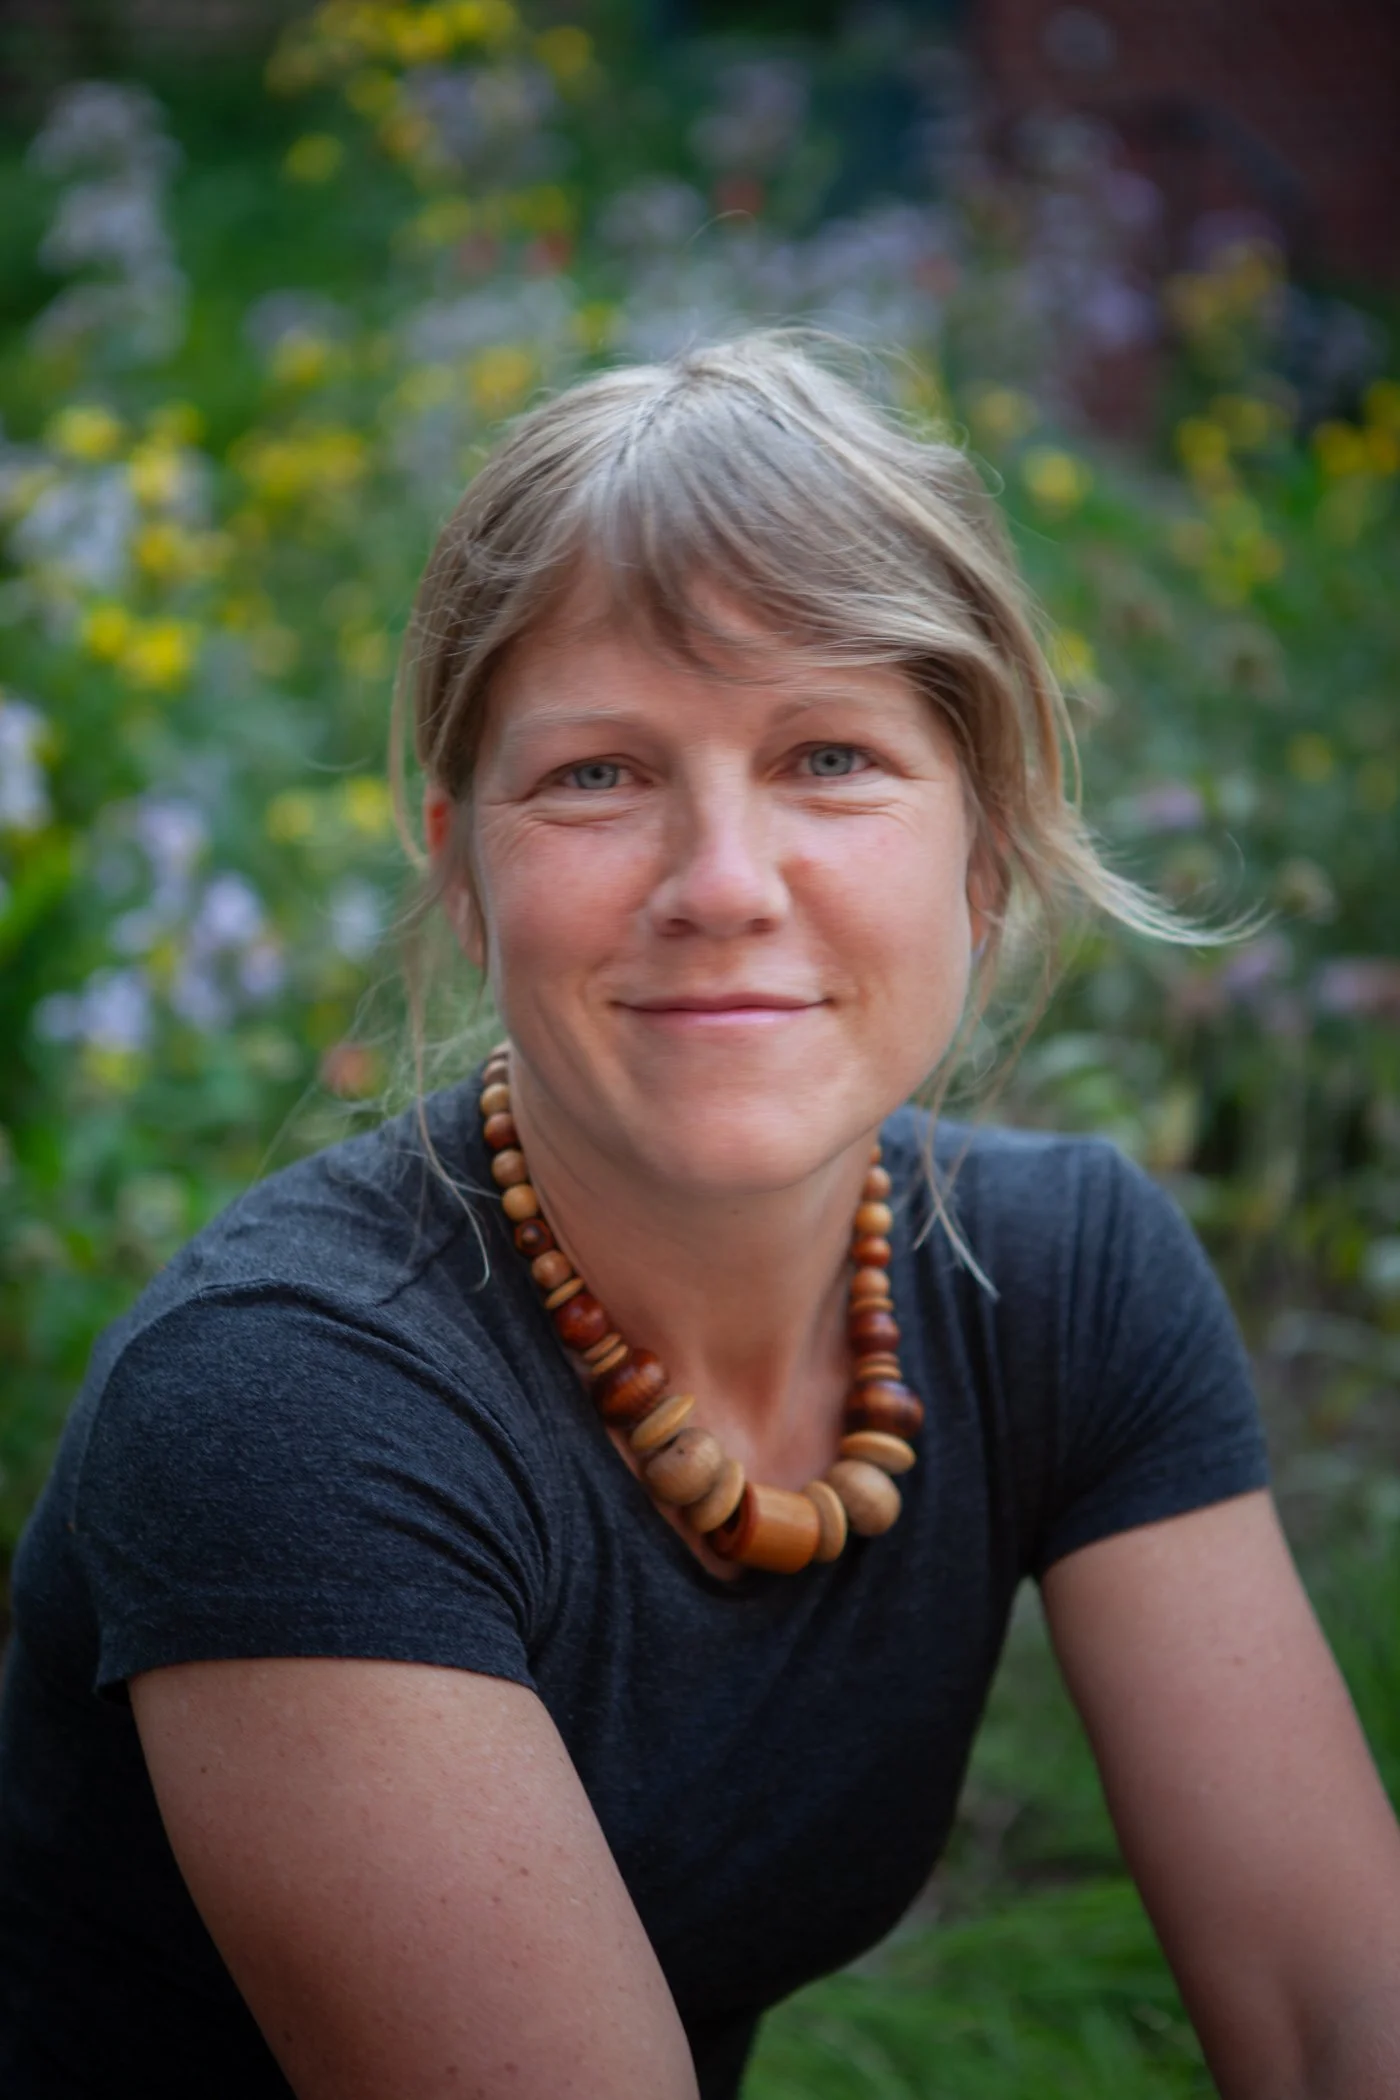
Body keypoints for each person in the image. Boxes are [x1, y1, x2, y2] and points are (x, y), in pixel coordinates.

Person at [2, 334, 1399, 2100]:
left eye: (830, 756)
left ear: (983, 854)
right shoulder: (287, 1402)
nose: (723, 885)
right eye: (597, 774)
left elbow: (1333, 2016)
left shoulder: (1067, 1280)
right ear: (461, 867)